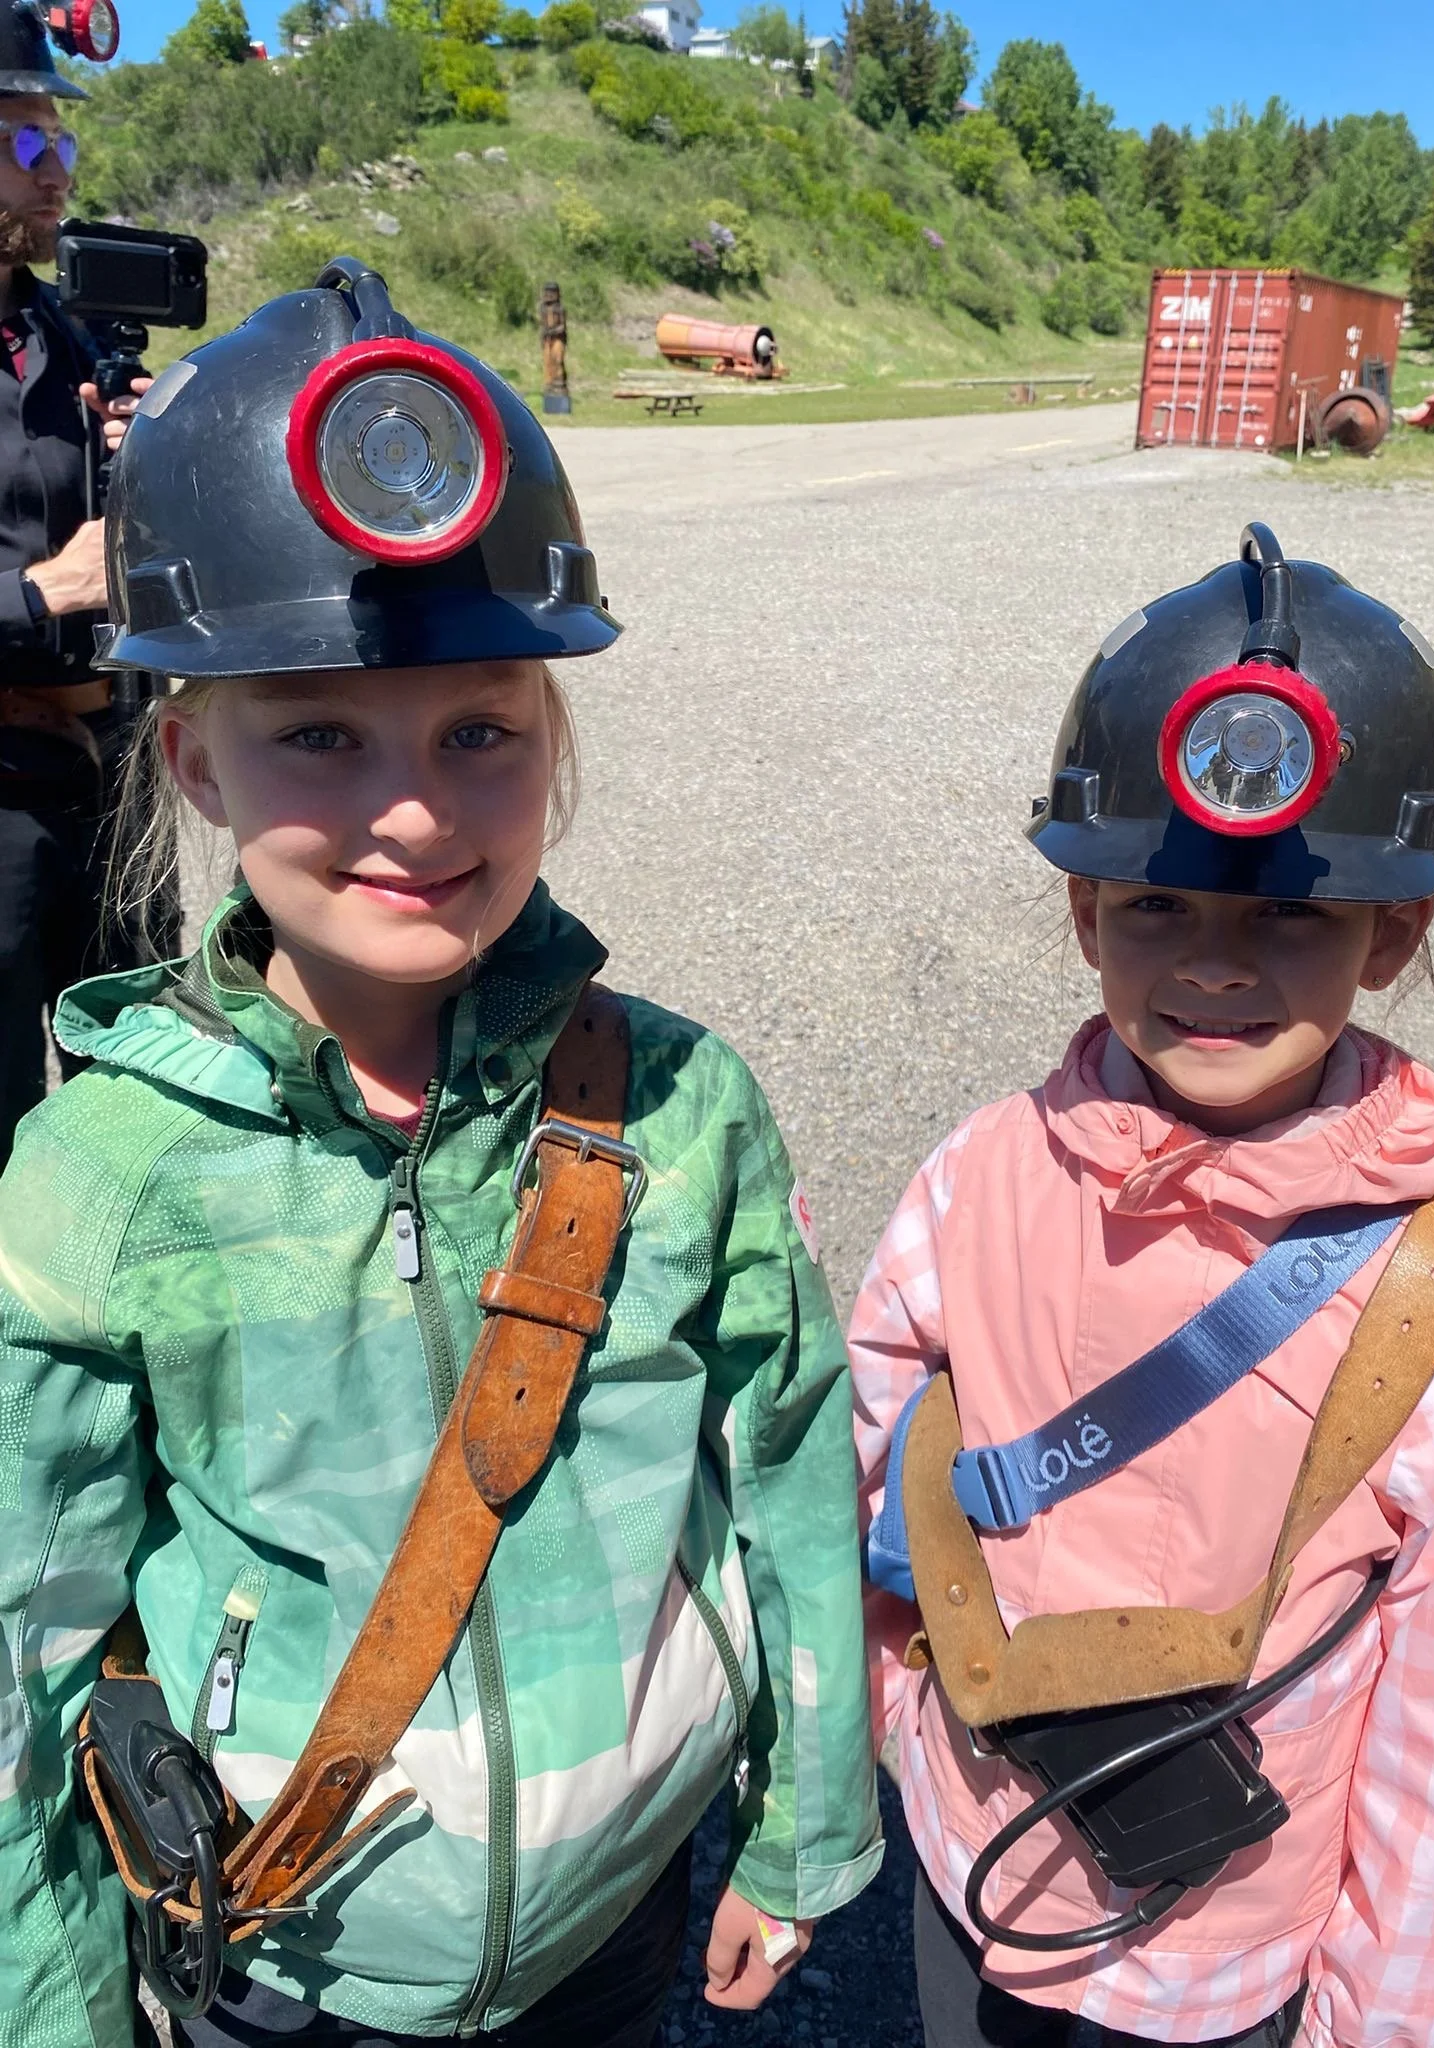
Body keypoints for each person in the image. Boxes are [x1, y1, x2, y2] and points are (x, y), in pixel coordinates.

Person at [0, 262, 882, 2047]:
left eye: (480, 731)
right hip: (286, 1956)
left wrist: (801, 1829)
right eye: (318, 734)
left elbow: (788, 1468)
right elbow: (29, 1636)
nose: (411, 808)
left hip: (618, 1912)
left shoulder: (682, 1104)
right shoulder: (103, 1174)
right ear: (193, 763)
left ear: (553, 743)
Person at [850, 525, 1434, 2048]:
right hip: (972, 1868)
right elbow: (873, 1477)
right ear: (1086, 915)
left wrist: (1375, 2022)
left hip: (1221, 1961)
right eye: (1160, 905)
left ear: (1394, 933)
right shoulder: (980, 1178)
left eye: (1288, 913)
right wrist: (903, 1718)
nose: (1217, 965)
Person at [0, 2, 152, 1166]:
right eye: (25, 142)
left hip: (107, 782)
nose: (57, 171)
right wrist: (42, 592)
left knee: (136, 1101)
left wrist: (142, 446)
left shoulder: (64, 332)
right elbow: (57, 574)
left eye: (63, 141)